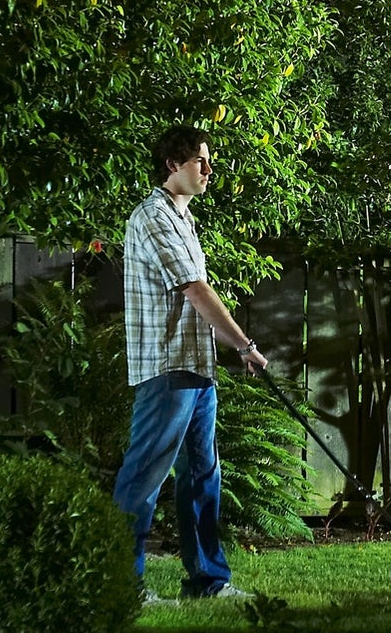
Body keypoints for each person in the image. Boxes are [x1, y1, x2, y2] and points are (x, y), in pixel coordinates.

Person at [112, 126, 268, 603]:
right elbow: (194, 289)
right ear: (172, 165)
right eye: (200, 160)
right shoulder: (153, 216)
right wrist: (244, 345)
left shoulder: (185, 220)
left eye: (209, 160)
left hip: (197, 368)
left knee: (203, 473)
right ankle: (118, 584)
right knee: (144, 476)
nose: (209, 169)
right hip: (167, 368)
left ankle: (208, 580)